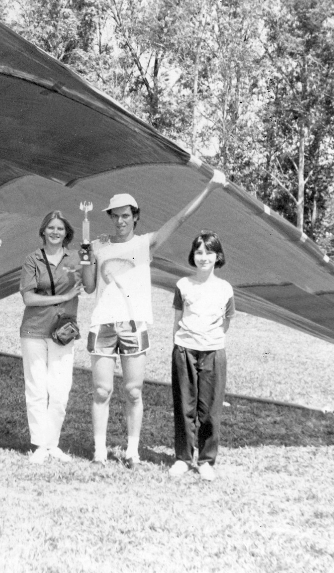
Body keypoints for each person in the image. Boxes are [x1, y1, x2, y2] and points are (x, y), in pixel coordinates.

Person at [80, 170, 226, 466]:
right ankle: (99, 450)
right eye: (115, 216)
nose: (120, 221)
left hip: (134, 326)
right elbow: (89, 286)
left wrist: (210, 187)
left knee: (133, 391)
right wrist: (85, 256)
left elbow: (180, 218)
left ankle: (132, 450)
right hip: (103, 325)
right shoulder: (98, 245)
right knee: (101, 390)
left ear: (135, 217)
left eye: (125, 216)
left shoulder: (146, 243)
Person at [169, 232, 235, 482]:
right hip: (185, 350)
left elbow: (226, 322)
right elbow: (177, 320)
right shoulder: (183, 285)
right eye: (199, 252)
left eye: (209, 252)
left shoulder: (225, 288)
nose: (203, 257)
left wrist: (211, 341)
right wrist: (181, 345)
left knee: (210, 410)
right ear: (192, 256)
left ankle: (206, 460)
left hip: (213, 352)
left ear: (217, 256)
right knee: (184, 406)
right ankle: (183, 458)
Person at [18, 211, 84, 464]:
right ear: (43, 231)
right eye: (51, 228)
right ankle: (39, 444)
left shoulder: (76, 258)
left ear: (66, 232)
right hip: (34, 329)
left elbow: (88, 285)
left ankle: (52, 442)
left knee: (60, 388)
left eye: (60, 228)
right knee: (36, 387)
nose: (55, 232)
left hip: (63, 332)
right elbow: (29, 298)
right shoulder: (32, 259)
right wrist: (64, 298)